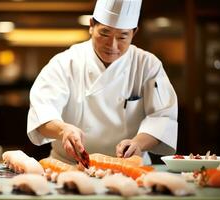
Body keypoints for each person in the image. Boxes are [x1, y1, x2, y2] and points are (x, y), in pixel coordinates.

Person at [27, 0, 178, 165]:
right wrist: (64, 130)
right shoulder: (65, 62)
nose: (112, 45)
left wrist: (138, 143)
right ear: (91, 25)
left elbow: (162, 117)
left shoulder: (147, 65)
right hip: (69, 165)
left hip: (129, 166)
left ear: (134, 33)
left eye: (122, 36)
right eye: (105, 33)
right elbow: (42, 110)